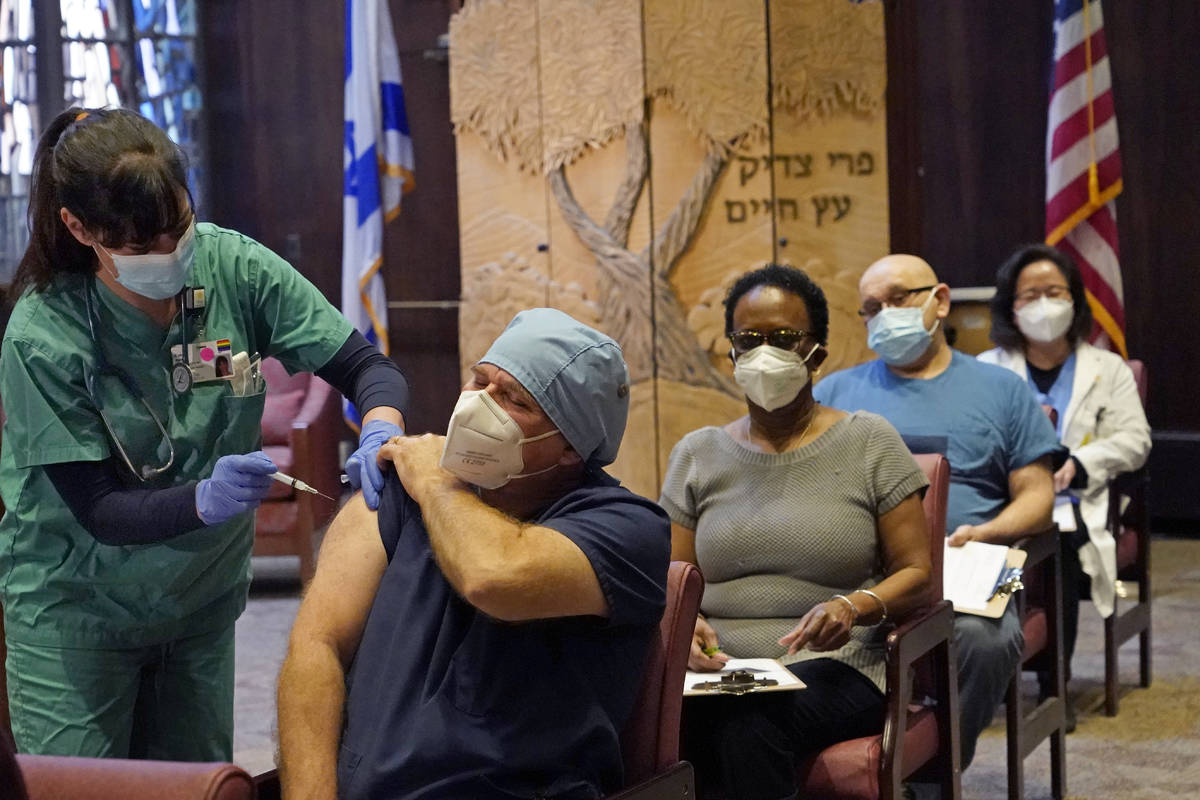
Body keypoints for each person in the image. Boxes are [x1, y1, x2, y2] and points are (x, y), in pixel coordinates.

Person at [0, 107, 408, 761]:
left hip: (199, 608)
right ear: (79, 229)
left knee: (197, 782)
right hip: (78, 614)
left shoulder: (233, 271)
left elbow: (364, 367)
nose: (168, 258)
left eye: (177, 231)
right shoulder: (45, 331)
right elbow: (99, 510)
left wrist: (380, 428)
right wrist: (202, 501)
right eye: (139, 247)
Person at [276, 308, 670, 800]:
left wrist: (440, 484)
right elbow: (317, 646)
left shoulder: (626, 527)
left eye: (513, 400)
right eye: (480, 381)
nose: (478, 405)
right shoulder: (397, 497)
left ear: (571, 446)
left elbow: (493, 576)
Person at [659, 264, 932, 800]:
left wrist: (854, 606)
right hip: (720, 672)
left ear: (817, 353)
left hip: (836, 665)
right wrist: (687, 629)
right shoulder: (697, 453)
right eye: (749, 339)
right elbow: (675, 581)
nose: (766, 352)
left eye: (784, 338)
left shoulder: (869, 441)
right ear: (732, 352)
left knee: (746, 724)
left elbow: (917, 574)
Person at [813, 254, 1062, 769]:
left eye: (898, 298)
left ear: (940, 300)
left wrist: (988, 532)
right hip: (858, 572)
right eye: (870, 307)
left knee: (987, 642)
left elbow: (1039, 497)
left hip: (965, 563)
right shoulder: (834, 394)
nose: (885, 315)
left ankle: (935, 769)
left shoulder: (1002, 389)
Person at [979, 243, 1151, 727]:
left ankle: (1054, 683)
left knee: (1053, 552)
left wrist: (1080, 461)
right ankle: (994, 668)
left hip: (1078, 505)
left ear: (1075, 300)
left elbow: (1135, 441)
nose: (1042, 304)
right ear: (1009, 306)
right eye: (1029, 294)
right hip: (1003, 502)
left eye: (1053, 292)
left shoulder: (1108, 367)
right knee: (994, 557)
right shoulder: (987, 369)